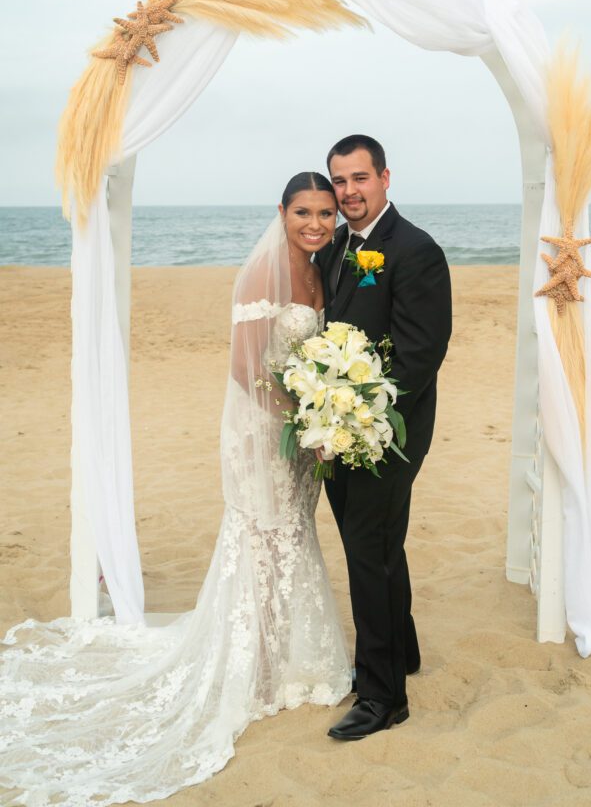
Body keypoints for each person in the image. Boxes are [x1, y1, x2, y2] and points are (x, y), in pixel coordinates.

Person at [0, 172, 351, 807]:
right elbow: (246, 368)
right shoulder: (259, 274)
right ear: (283, 211)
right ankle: (255, 664)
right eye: (305, 212)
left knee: (291, 536)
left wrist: (321, 420)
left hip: (302, 435)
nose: (317, 224)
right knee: (263, 533)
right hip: (265, 432)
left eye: (326, 213)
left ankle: (283, 657)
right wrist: (307, 423)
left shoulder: (322, 271)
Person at [317, 135, 452, 741]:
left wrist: (358, 419)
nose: (348, 192)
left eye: (359, 179)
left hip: (390, 432)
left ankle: (382, 696)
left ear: (385, 178)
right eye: (339, 181)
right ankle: (404, 650)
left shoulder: (415, 250)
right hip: (339, 426)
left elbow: (420, 356)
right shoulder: (338, 247)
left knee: (368, 548)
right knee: (375, 543)